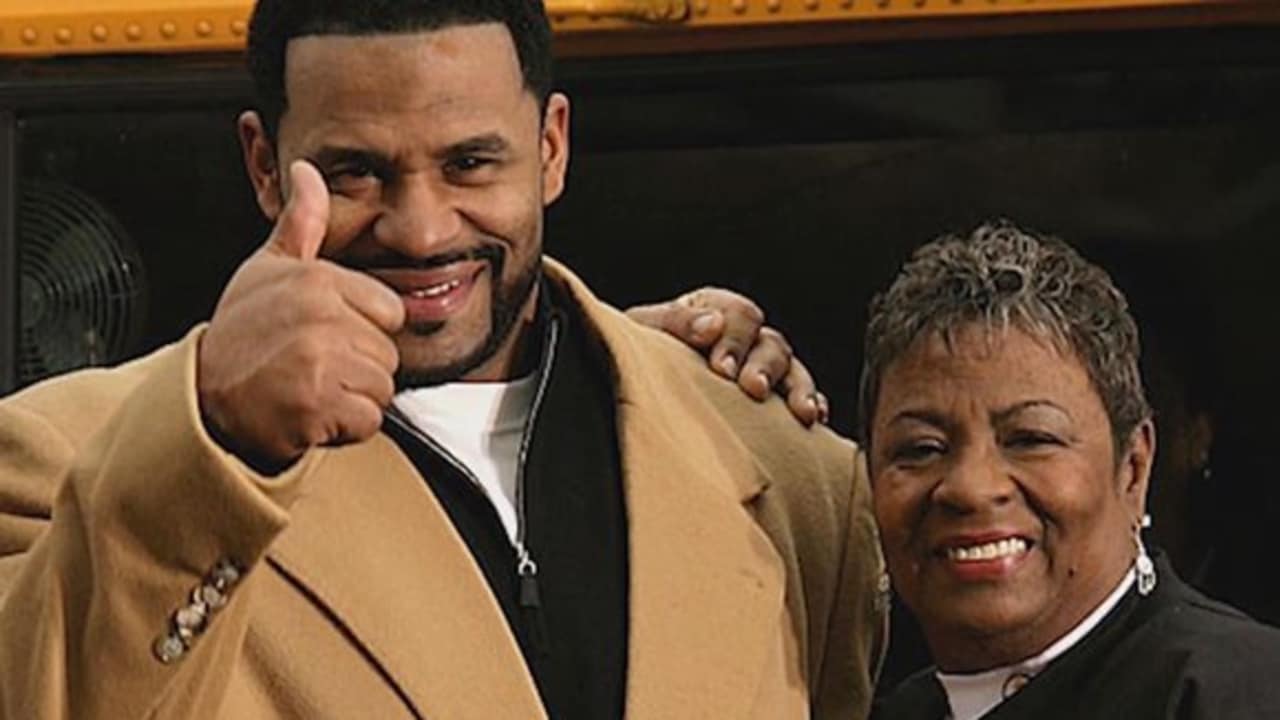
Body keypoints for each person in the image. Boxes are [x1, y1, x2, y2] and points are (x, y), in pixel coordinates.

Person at [0, 1, 886, 718]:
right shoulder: (64, 457)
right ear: (264, 165)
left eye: (469, 164)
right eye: (355, 172)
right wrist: (219, 445)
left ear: (551, 147)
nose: (421, 230)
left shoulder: (791, 473)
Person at [864, 220, 1280, 719]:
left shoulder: (1238, 692)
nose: (972, 488)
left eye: (1031, 439)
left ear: (1133, 468)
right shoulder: (884, 712)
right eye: (921, 448)